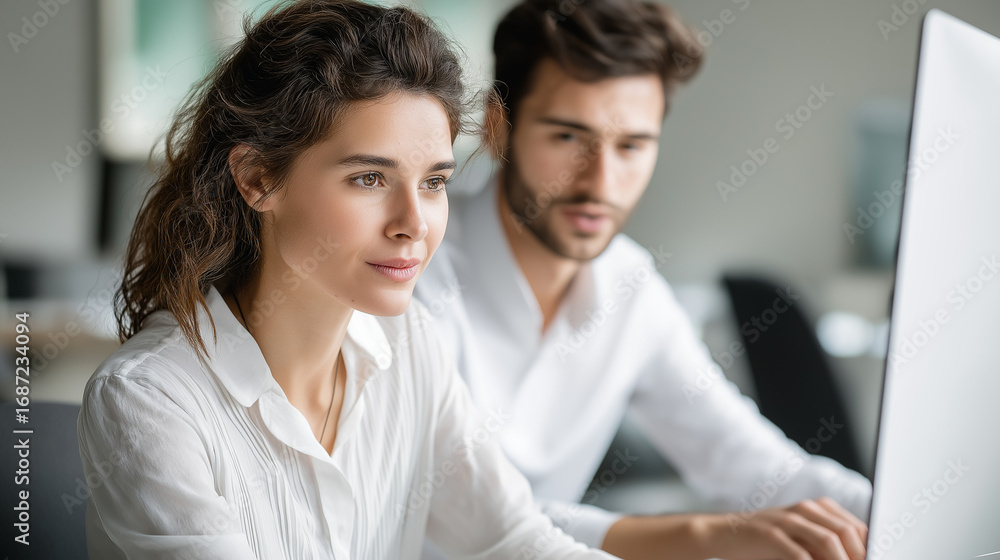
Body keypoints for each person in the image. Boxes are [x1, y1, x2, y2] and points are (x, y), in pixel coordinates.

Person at [76, 1, 618, 558]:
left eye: (434, 182)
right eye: (369, 178)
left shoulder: (411, 345)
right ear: (257, 178)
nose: (414, 224)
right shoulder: (150, 399)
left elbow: (511, 538)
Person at [415, 1, 872, 559]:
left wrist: (899, 511)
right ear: (497, 126)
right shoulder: (414, 267)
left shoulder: (628, 285)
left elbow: (754, 464)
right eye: (567, 137)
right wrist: (704, 535)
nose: (601, 182)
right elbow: (463, 517)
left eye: (632, 145)